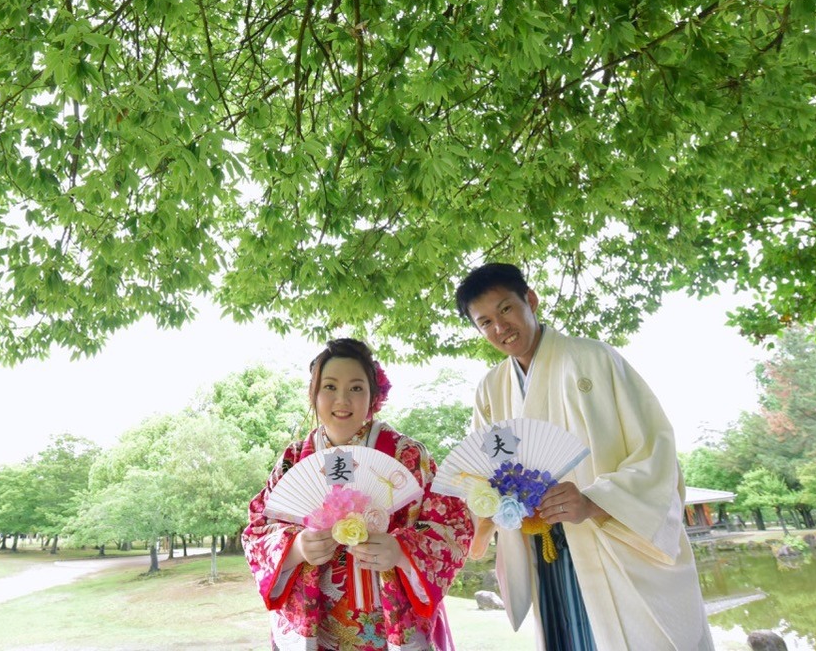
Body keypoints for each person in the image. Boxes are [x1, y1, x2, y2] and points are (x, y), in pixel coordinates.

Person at [455, 262, 714, 650]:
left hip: (609, 540)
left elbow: (655, 455)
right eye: (485, 321)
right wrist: (490, 505)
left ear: (531, 300)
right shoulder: (490, 390)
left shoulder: (595, 359)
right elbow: (480, 472)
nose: (500, 328)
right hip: (544, 552)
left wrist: (594, 501)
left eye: (506, 309)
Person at [243, 338, 473, 650]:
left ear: (373, 396)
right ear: (314, 394)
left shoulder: (407, 456)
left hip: (390, 622)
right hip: (317, 621)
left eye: (356, 388)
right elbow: (258, 529)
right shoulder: (293, 459)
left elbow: (453, 526)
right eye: (330, 387)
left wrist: (401, 550)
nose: (342, 400)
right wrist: (295, 547)